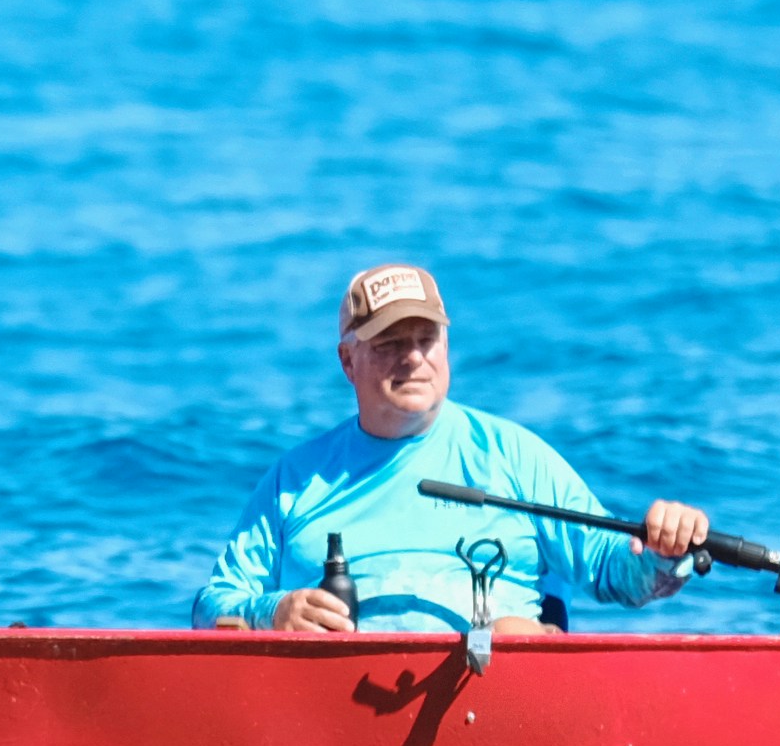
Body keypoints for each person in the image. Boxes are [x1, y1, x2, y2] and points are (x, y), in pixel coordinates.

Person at [200, 262, 711, 634]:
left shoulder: (513, 454)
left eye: (427, 339)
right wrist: (274, 613)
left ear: (447, 347)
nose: (414, 359)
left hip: (501, 702)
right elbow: (211, 606)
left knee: (515, 636)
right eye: (390, 344)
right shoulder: (295, 480)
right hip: (331, 707)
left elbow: (614, 570)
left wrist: (666, 553)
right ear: (347, 362)